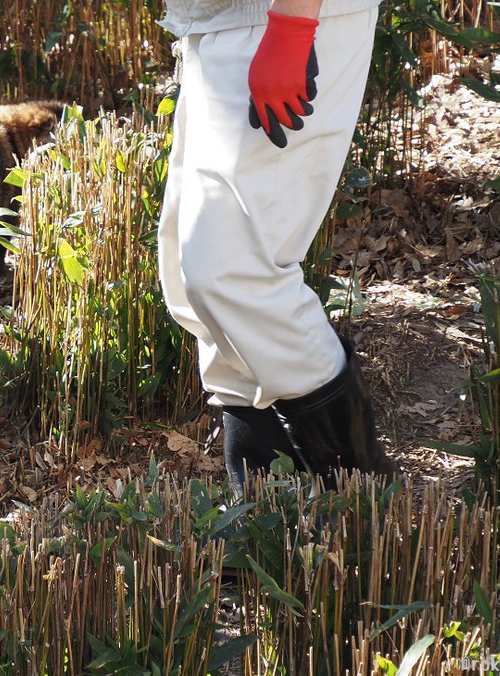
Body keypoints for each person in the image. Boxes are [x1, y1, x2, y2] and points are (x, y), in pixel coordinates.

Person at [155, 0, 398, 494]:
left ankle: (362, 510)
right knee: (192, 284)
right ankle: (267, 521)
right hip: (217, 24)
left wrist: (290, 29)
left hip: (280, 21)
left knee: (231, 272)